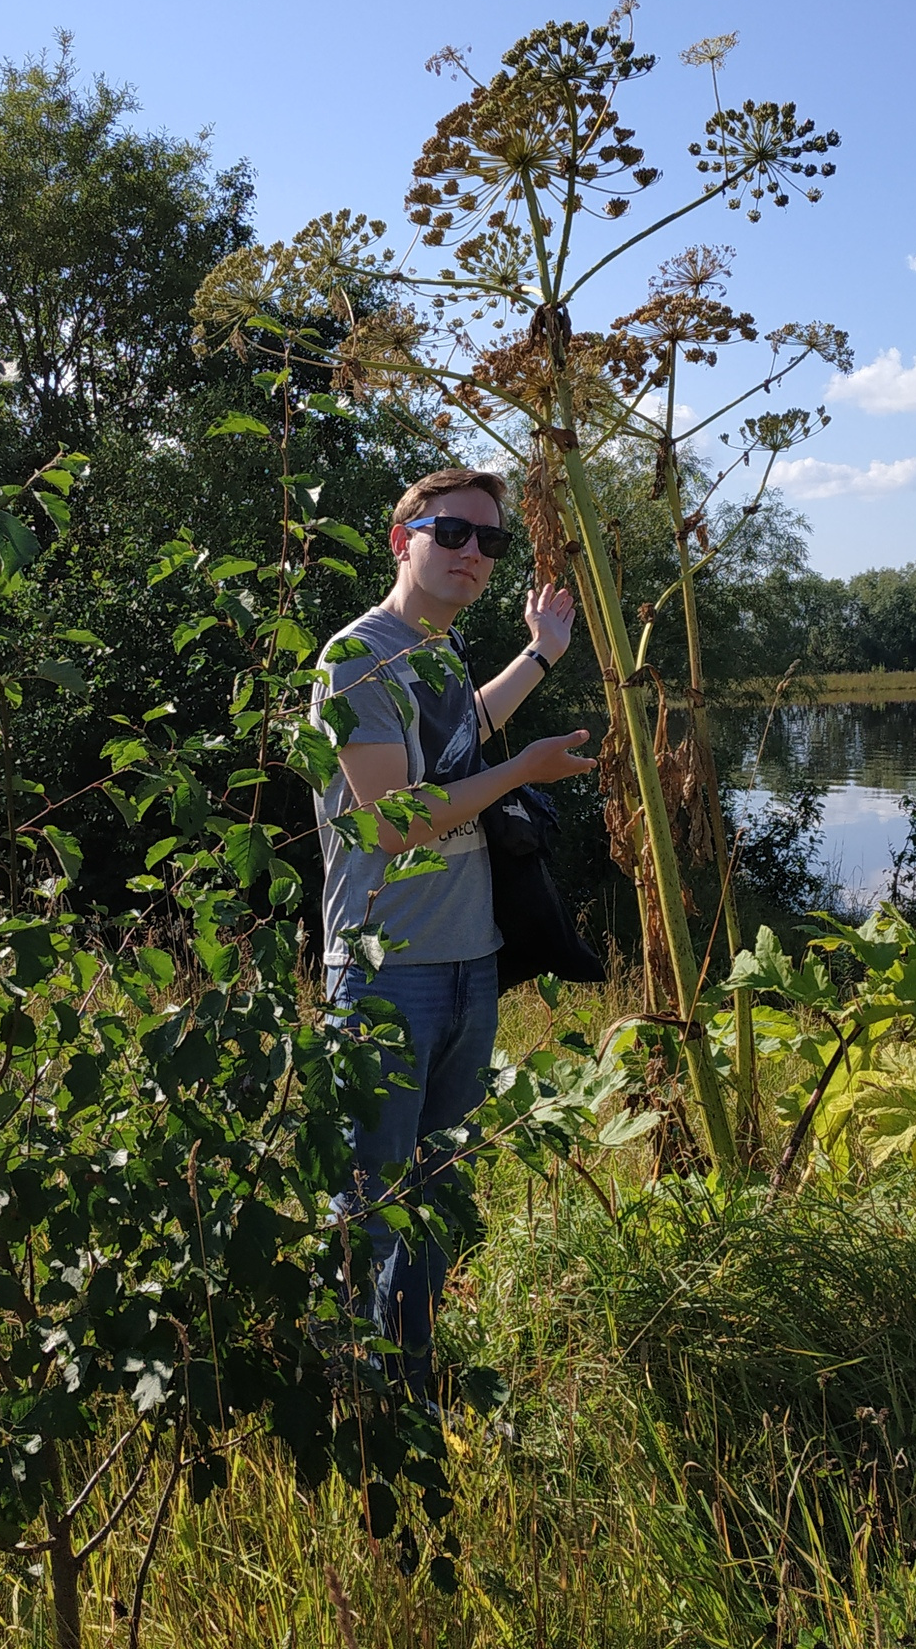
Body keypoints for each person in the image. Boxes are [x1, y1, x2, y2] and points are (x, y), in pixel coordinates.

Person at [310, 467, 591, 1396]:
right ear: (403, 540)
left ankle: (413, 1377)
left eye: (492, 542)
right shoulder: (356, 656)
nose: (475, 554)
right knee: (366, 1200)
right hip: (386, 969)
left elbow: (458, 734)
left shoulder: (440, 652)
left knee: (436, 1193)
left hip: (472, 962)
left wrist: (541, 655)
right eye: (454, 534)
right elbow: (392, 818)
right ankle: (347, 1390)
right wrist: (520, 774)